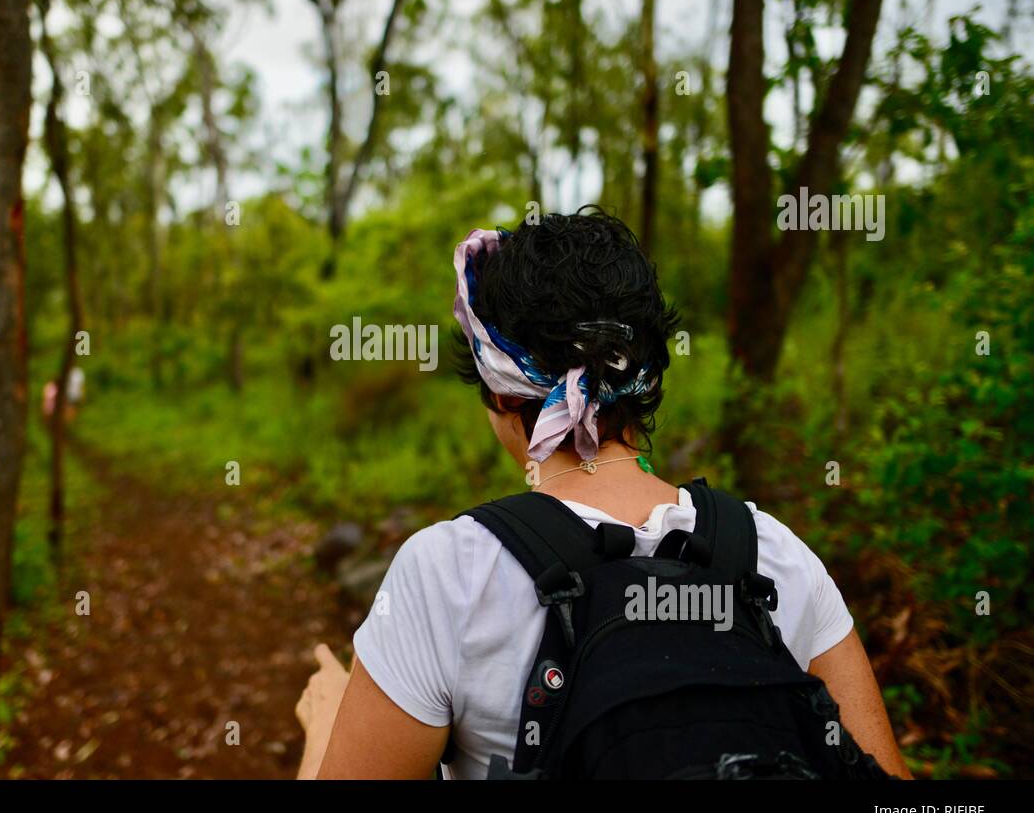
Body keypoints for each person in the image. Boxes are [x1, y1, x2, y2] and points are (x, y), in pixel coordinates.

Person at [295, 206, 911, 780]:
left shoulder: (448, 574)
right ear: (647, 376)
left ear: (502, 393)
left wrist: (322, 736)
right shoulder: (775, 554)